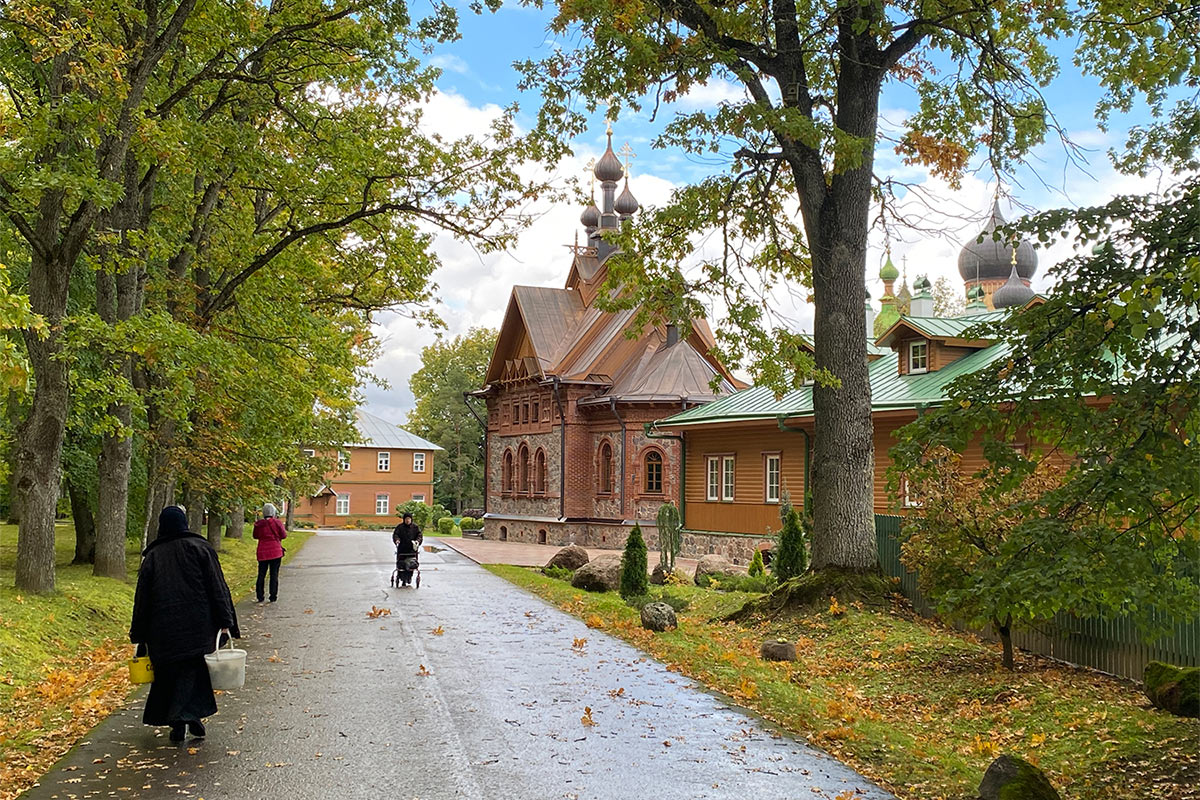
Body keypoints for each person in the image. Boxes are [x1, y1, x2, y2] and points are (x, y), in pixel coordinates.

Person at [130, 506, 240, 743]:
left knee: (169, 675)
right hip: (198, 627)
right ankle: (191, 717)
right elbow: (217, 587)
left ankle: (178, 720)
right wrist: (225, 621)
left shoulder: (153, 556)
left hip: (163, 631)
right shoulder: (200, 548)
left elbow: (142, 599)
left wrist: (138, 633)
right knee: (194, 673)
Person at [253, 502, 287, 603]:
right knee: (274, 574)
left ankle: (260, 596)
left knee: (261, 574)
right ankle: (273, 596)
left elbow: (255, 536)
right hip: (276, 552)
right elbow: (283, 535)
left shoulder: (258, 524)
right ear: (273, 512)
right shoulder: (277, 523)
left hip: (262, 552)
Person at [392, 511, 423, 587]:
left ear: (411, 519)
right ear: (404, 519)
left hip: (411, 550)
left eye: (409, 519)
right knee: (401, 565)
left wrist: (417, 541)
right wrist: (397, 540)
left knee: (411, 565)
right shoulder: (400, 527)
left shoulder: (415, 527)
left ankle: (408, 578)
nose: (408, 520)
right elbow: (395, 535)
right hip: (402, 550)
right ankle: (402, 579)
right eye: (406, 519)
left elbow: (419, 535)